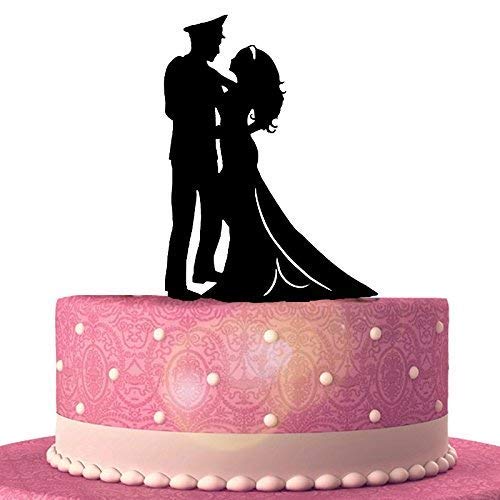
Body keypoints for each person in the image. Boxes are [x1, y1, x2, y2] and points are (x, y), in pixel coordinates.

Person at [205, 46, 377, 301]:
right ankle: (242, 273)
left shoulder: (240, 92)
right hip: (237, 152)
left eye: (237, 57)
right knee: (241, 215)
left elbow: (233, 123)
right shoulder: (239, 89)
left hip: (239, 155)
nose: (231, 57)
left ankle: (246, 276)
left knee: (243, 215)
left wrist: (212, 133)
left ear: (244, 67)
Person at [163, 15, 234, 299]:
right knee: (183, 221)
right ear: (204, 41)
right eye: (216, 41)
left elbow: (228, 101)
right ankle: (175, 284)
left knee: (213, 214)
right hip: (185, 154)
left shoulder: (209, 74)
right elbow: (172, 109)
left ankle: (203, 267)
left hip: (206, 155)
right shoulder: (180, 68)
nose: (218, 47)